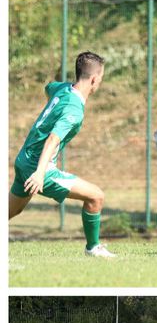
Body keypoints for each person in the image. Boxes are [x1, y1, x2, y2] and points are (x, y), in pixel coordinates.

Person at [10, 51, 114, 257]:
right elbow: (52, 140)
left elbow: (48, 87)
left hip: (24, 159)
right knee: (96, 197)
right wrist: (40, 173)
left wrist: (53, 104)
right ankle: (93, 248)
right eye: (100, 78)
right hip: (38, 167)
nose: (100, 82)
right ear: (94, 79)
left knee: (12, 210)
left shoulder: (63, 89)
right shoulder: (74, 111)